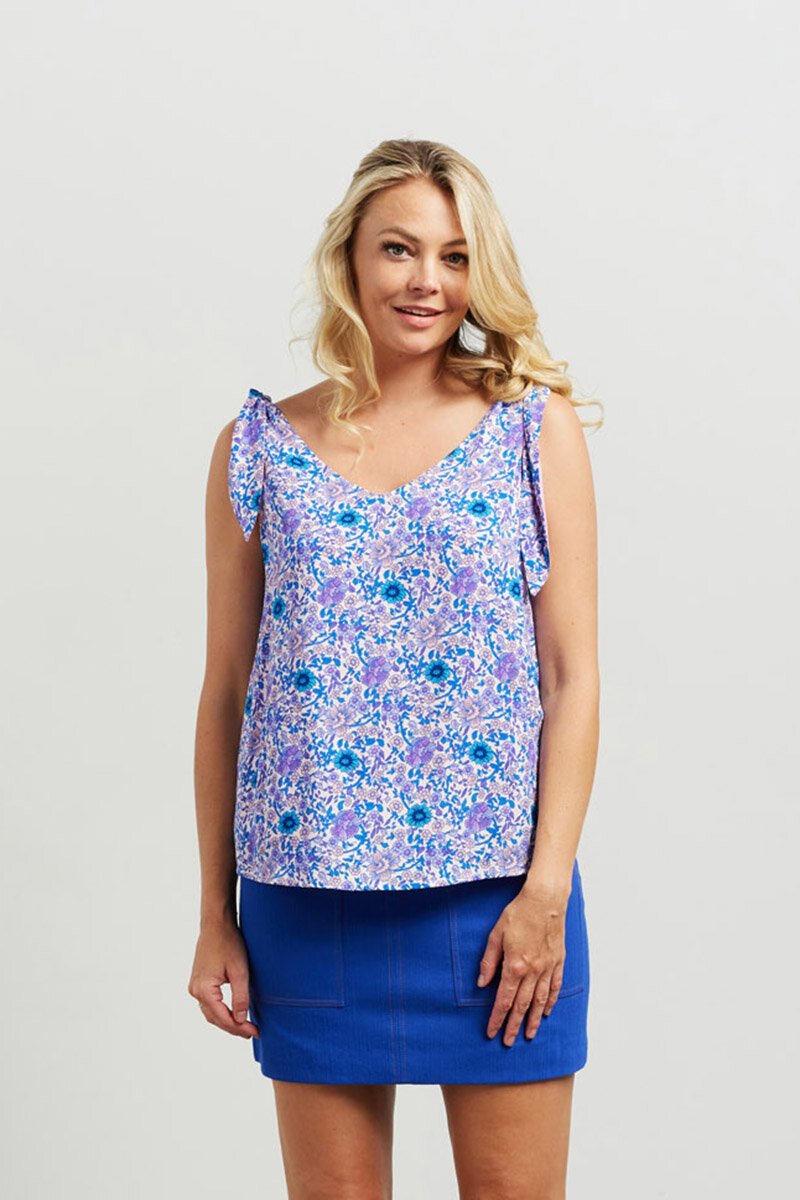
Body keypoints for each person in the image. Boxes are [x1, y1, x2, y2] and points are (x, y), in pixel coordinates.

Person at [189, 138, 601, 1199]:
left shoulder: (532, 430)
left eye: (455, 257)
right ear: (350, 259)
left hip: (498, 907)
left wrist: (545, 890)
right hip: (306, 902)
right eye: (399, 249)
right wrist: (214, 913)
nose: (427, 281)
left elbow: (571, 677)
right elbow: (226, 693)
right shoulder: (258, 447)